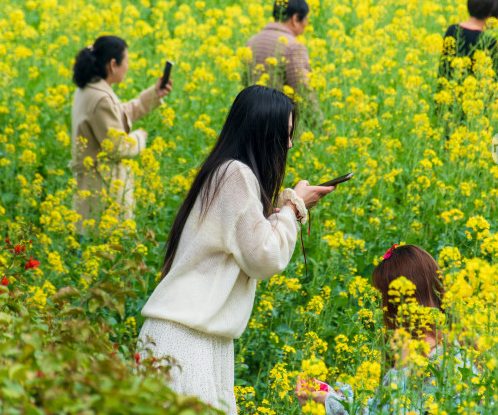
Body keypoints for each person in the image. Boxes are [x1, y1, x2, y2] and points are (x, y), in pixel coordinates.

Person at [137, 85, 336, 414]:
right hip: (184, 338)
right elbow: (263, 256)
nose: (289, 144)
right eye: (285, 134)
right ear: (263, 131)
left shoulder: (223, 172)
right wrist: (294, 208)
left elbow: (248, 244)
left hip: (199, 336)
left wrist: (281, 214)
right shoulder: (235, 174)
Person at [295, 244, 481, 413]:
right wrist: (330, 399)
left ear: (396, 303)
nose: (380, 308)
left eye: (382, 297)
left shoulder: (416, 363)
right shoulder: (463, 343)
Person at [69, 35, 172, 234]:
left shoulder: (87, 90)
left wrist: (153, 95)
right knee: (104, 254)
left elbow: (116, 116)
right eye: (126, 61)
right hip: (103, 193)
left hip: (91, 188)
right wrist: (139, 138)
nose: (128, 66)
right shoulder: (101, 99)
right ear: (113, 64)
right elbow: (117, 147)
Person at [246, 0, 313, 95]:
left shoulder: (251, 42)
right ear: (295, 19)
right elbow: (303, 93)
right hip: (281, 110)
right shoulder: (293, 47)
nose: (306, 24)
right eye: (306, 19)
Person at [439, 0, 498, 81]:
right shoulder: (490, 43)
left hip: (449, 93)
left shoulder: (452, 30)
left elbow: (445, 70)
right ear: (490, 14)